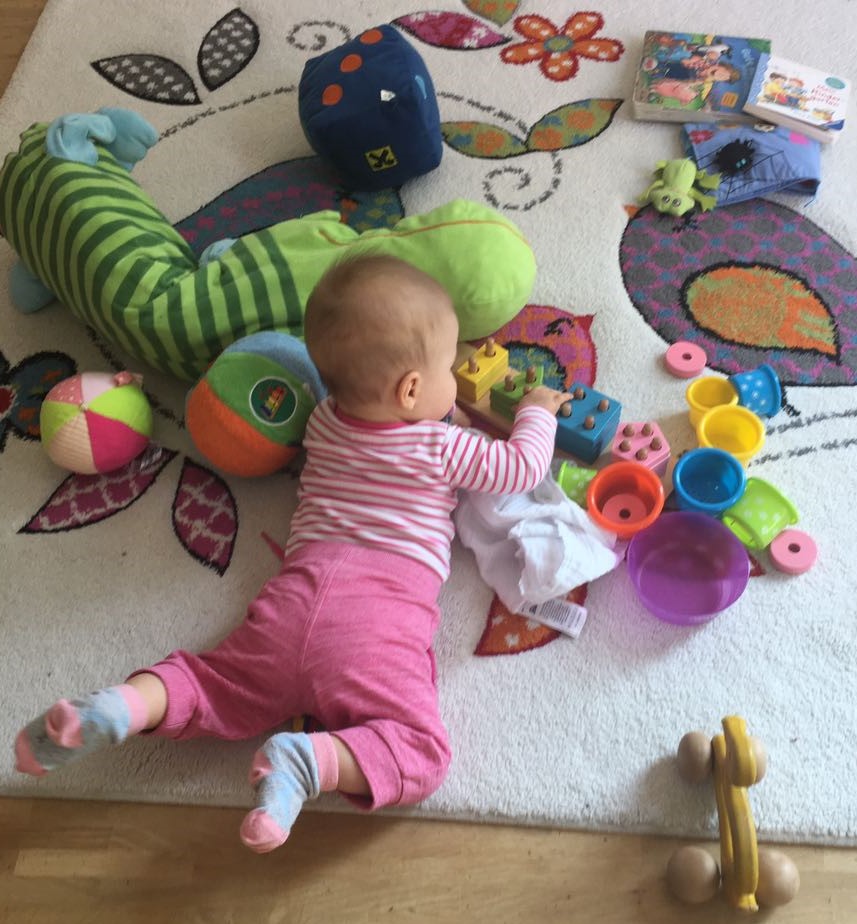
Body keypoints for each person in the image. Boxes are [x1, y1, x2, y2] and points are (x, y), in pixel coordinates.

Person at [15, 254, 570, 853]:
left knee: (211, 684)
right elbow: (521, 466)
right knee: (421, 755)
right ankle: (308, 762)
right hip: (375, 624)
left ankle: (126, 705)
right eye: (446, 368)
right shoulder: (443, 447)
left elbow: (389, 421)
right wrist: (536, 411)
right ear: (411, 389)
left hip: (292, 602)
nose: (455, 378)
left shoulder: (325, 421)